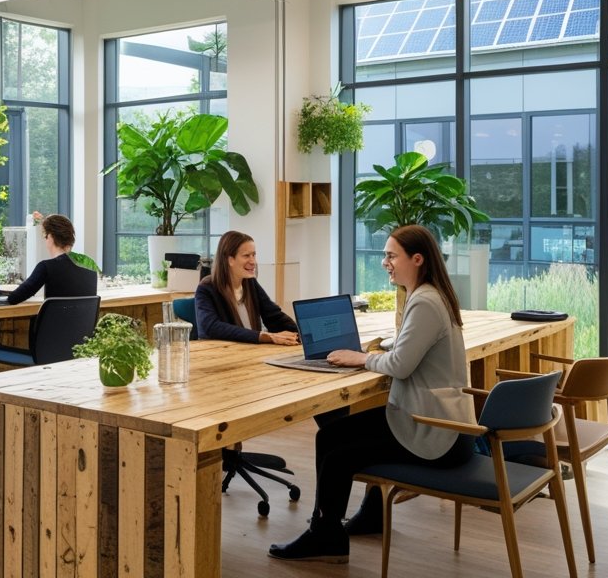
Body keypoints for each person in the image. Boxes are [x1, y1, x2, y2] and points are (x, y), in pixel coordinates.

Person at [268, 224, 476, 563]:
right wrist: (382, 350)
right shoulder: (430, 295)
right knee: (330, 434)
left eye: (391, 256)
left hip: (435, 432)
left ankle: (326, 537)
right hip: (437, 420)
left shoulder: (425, 302)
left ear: (417, 259)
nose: (384, 262)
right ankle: (360, 519)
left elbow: (401, 366)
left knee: (337, 455)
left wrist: (361, 358)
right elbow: (409, 354)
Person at [193, 230, 299, 345]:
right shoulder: (206, 288)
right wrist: (264, 336)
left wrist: (303, 334)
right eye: (246, 256)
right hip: (222, 352)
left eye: (254, 255)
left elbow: (274, 317)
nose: (253, 261)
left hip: (251, 350)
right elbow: (212, 327)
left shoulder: (250, 283)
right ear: (230, 260)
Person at [7, 214, 97, 303]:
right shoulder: (90, 274)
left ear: (50, 236)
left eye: (45, 236)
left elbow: (14, 298)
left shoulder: (46, 267)